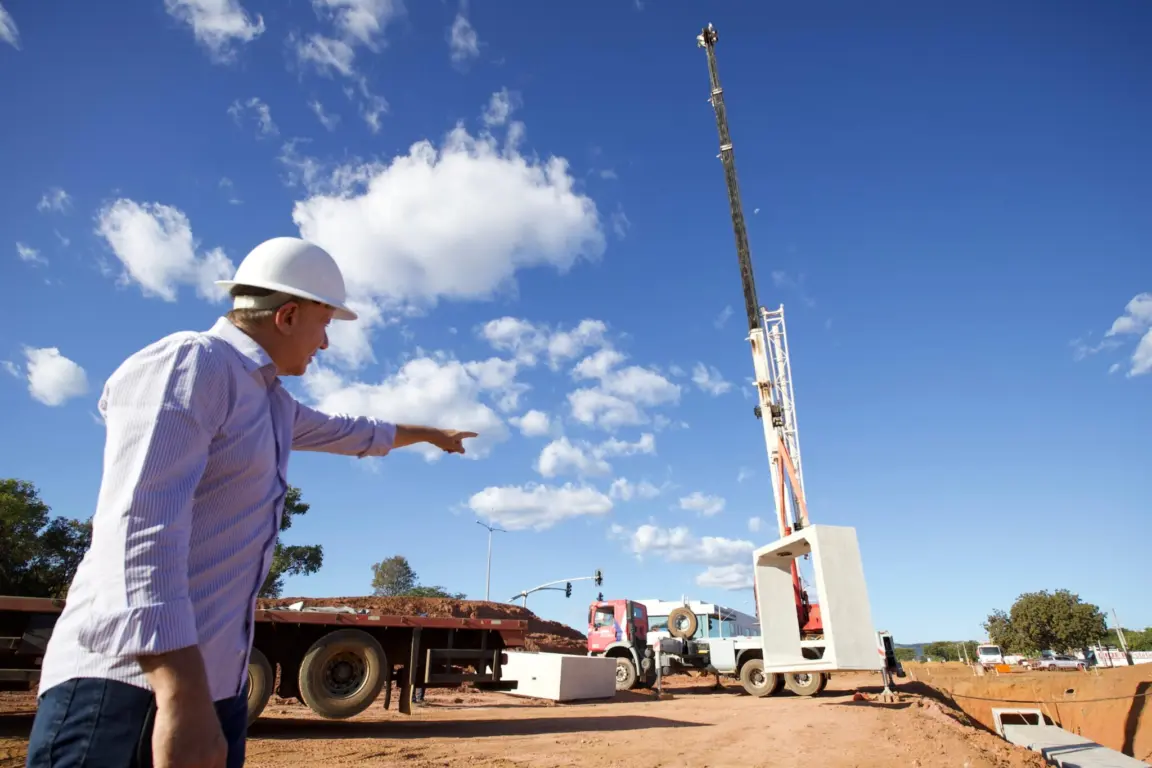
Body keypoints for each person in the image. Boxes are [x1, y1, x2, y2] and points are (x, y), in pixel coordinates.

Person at [25, 237, 477, 768]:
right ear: (287, 315)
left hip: (215, 694)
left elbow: (353, 432)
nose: (326, 343)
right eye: (324, 322)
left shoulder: (272, 404)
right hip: (129, 691)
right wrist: (180, 694)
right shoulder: (190, 364)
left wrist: (430, 434)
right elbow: (138, 526)